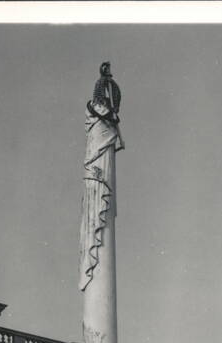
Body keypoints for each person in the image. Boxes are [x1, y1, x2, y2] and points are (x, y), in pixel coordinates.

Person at [79, 62, 124, 291]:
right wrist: (111, 114)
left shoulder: (105, 114)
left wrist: (113, 113)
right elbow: (105, 112)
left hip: (102, 165)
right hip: (95, 169)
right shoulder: (96, 111)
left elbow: (112, 110)